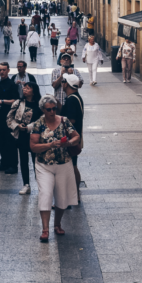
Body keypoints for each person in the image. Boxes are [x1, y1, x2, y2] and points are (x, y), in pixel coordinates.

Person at [29, 95, 80, 243]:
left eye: (54, 108)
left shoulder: (64, 120)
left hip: (64, 164)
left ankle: (57, 224)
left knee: (62, 196)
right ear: (43, 110)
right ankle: (45, 229)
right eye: (49, 109)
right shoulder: (38, 124)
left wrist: (69, 143)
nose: (52, 111)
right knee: (45, 193)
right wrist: (49, 145)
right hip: (44, 165)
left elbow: (76, 136)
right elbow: (33, 147)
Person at [6, 81, 41, 195]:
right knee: (24, 160)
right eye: (24, 88)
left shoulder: (40, 104)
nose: (25, 90)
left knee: (37, 161)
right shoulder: (19, 103)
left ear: (33, 91)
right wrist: (17, 126)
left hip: (35, 136)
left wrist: (28, 128)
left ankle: (41, 184)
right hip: (22, 136)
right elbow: (9, 118)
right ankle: (26, 184)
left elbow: (42, 121)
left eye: (28, 88)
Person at [60, 74, 85, 204]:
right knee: (73, 165)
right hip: (75, 137)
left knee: (71, 166)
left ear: (67, 84)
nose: (62, 83)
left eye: (63, 81)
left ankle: (74, 194)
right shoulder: (75, 97)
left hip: (71, 139)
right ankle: (76, 194)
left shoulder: (71, 100)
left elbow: (71, 120)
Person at [0, 62, 20, 174]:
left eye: (4, 70)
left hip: (9, 118)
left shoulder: (11, 85)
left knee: (10, 141)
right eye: (0, 70)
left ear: (8, 70)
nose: (2, 72)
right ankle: (4, 162)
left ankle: (13, 165)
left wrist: (2, 101)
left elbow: (15, 100)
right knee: (0, 140)